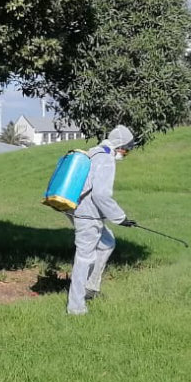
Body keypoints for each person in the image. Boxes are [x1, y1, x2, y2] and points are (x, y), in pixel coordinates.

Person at [66, 125, 136, 315]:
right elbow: (101, 195)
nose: (125, 154)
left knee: (106, 242)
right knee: (84, 257)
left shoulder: (94, 153)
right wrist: (121, 218)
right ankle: (76, 307)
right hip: (87, 214)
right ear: (120, 146)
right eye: (127, 150)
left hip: (77, 209)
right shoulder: (106, 160)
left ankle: (90, 288)